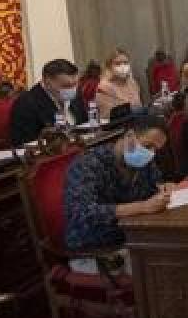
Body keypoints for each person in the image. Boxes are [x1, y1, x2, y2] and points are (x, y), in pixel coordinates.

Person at [62, 115, 173, 273]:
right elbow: (83, 212)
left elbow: (156, 185)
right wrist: (141, 207)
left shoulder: (143, 161)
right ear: (129, 136)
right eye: (148, 146)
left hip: (133, 238)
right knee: (166, 267)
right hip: (97, 251)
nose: (151, 154)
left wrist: (165, 189)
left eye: (156, 150)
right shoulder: (88, 164)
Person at [10, 59, 89, 146]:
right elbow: (24, 143)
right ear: (47, 82)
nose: (72, 89)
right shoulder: (26, 104)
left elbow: (85, 125)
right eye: (66, 86)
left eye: (75, 84)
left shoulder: (76, 96)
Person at [95, 48, 143, 118]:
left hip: (137, 122)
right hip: (117, 126)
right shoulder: (104, 87)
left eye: (125, 63)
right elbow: (109, 116)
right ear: (109, 67)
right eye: (118, 63)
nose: (123, 66)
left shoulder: (132, 83)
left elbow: (139, 106)